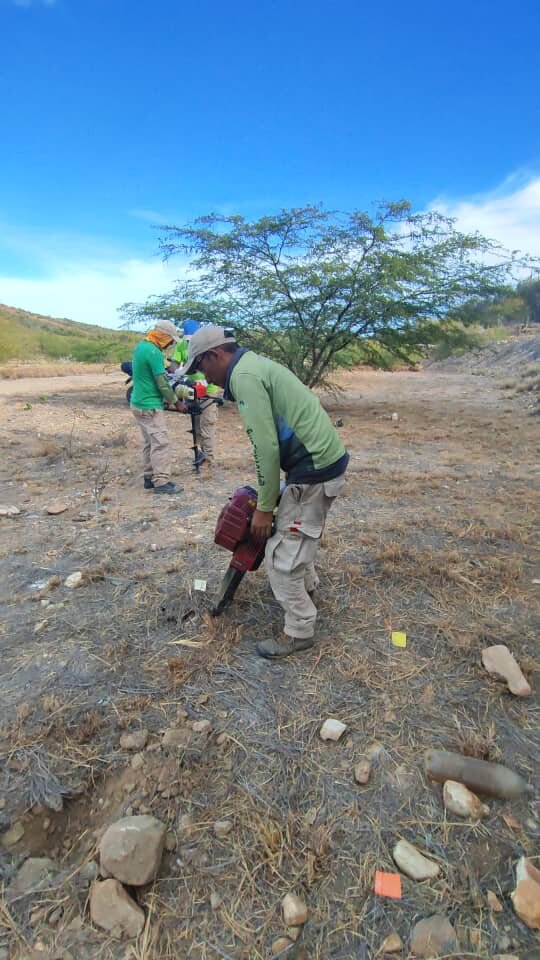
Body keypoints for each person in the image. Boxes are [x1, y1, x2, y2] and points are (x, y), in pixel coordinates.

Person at [177, 325, 349, 658]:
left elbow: (266, 447)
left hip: (313, 469)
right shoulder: (253, 365)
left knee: (280, 557)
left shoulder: (244, 376)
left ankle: (299, 630)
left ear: (216, 355)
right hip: (319, 462)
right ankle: (308, 590)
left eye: (201, 366)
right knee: (295, 536)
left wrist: (265, 507)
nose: (204, 375)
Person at [130, 318, 186, 494]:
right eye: (170, 340)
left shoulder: (141, 347)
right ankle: (161, 481)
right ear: (163, 336)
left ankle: (149, 477)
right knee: (161, 442)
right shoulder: (153, 352)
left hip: (138, 402)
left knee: (149, 441)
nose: (170, 344)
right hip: (150, 405)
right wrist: (177, 402)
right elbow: (162, 382)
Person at [171, 319, 220, 469]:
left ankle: (208, 460)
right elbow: (174, 363)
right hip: (191, 390)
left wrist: (209, 380)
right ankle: (199, 454)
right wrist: (178, 373)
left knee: (207, 426)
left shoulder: (208, 344)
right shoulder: (181, 345)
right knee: (196, 426)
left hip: (209, 391)